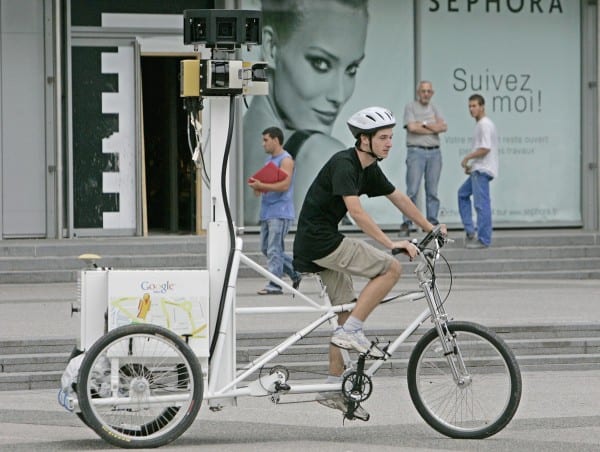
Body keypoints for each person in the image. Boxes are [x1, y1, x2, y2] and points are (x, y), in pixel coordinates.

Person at [293, 106, 446, 419]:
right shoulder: (344, 164)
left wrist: (429, 227)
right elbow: (357, 213)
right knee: (390, 268)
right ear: (364, 140)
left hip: (319, 242)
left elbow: (399, 197)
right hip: (321, 241)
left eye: (391, 137)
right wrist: (391, 244)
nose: (390, 143)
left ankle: (332, 386)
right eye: (384, 138)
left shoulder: (369, 168)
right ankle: (352, 332)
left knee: (346, 314)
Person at [243, 0, 369, 225]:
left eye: (351, 69)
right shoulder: (321, 155)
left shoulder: (234, 144)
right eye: (320, 63)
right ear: (271, 47)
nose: (339, 95)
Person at [248, 127, 302, 294]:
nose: (263, 144)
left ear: (276, 140)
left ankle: (274, 285)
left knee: (273, 249)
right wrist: (258, 188)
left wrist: (261, 185)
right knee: (267, 248)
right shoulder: (269, 161)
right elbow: (269, 185)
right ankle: (295, 272)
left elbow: (284, 185)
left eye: (266, 140)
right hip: (268, 212)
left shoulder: (286, 160)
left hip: (280, 212)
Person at [399, 81, 447, 236]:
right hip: (416, 152)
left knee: (432, 191)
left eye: (428, 91)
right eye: (423, 91)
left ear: (432, 93)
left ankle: (432, 223)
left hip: (434, 153)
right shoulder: (410, 107)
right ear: (418, 92)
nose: (426, 94)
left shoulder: (435, 108)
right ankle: (406, 223)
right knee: (412, 190)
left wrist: (423, 124)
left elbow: (443, 127)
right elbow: (412, 128)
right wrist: (432, 126)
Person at [458, 94, 499, 249]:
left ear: (482, 106)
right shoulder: (481, 124)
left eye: (474, 106)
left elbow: (485, 148)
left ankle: (483, 239)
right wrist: (472, 166)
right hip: (478, 169)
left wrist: (467, 158)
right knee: (462, 194)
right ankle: (470, 231)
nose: (471, 109)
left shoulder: (484, 124)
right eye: (470, 106)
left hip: (482, 170)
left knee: (482, 204)